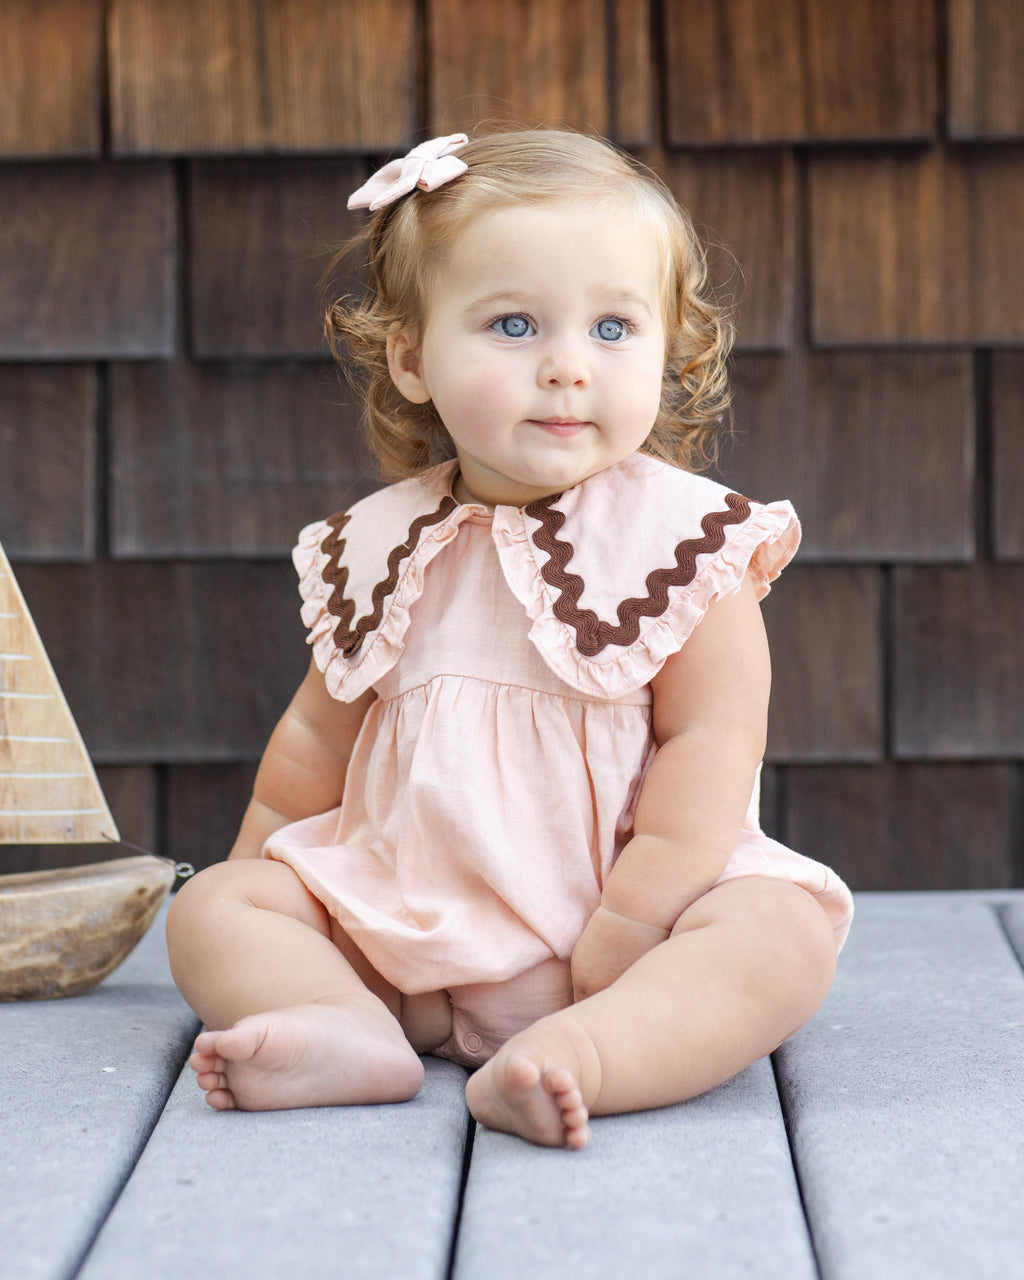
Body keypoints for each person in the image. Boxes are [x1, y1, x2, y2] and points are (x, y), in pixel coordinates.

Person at [166, 129, 853, 1150]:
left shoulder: (682, 546)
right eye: (515, 324)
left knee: (779, 933)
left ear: (668, 349)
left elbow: (713, 742)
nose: (567, 367)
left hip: (627, 936)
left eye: (613, 327)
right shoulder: (384, 545)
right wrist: (263, 885)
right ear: (411, 358)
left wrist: (634, 921)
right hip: (408, 940)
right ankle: (344, 1023)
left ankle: (586, 1055)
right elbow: (312, 742)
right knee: (213, 906)